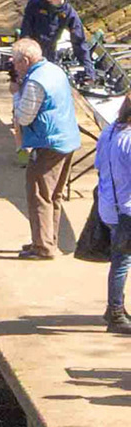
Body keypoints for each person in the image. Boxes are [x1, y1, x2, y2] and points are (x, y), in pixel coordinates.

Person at [10, 36, 80, 257]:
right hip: (67, 140)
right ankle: (48, 239)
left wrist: (15, 94)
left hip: (49, 144)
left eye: (15, 61)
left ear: (27, 60)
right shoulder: (54, 70)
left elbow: (24, 117)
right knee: (54, 195)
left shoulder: (34, 82)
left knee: (39, 194)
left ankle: (42, 247)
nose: (13, 65)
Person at [96, 100, 131, 331]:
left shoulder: (108, 131)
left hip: (108, 206)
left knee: (121, 260)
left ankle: (114, 308)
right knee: (122, 261)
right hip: (126, 210)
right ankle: (115, 312)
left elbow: (98, 165)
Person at [18, 0, 92, 77]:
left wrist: (88, 70)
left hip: (50, 54)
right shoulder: (34, 4)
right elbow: (26, 30)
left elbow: (79, 42)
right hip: (30, 52)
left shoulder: (69, 13)